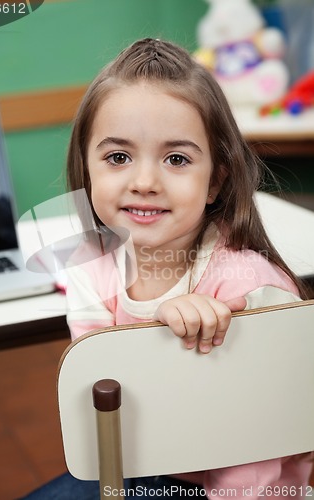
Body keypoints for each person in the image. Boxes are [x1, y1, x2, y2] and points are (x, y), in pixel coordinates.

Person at [23, 38, 312, 499]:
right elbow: (103, 418)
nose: (144, 182)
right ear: (88, 168)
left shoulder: (252, 289)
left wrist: (214, 340)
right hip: (137, 467)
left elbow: (261, 449)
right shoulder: (90, 270)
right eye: (118, 157)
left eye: (176, 159)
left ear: (215, 179)